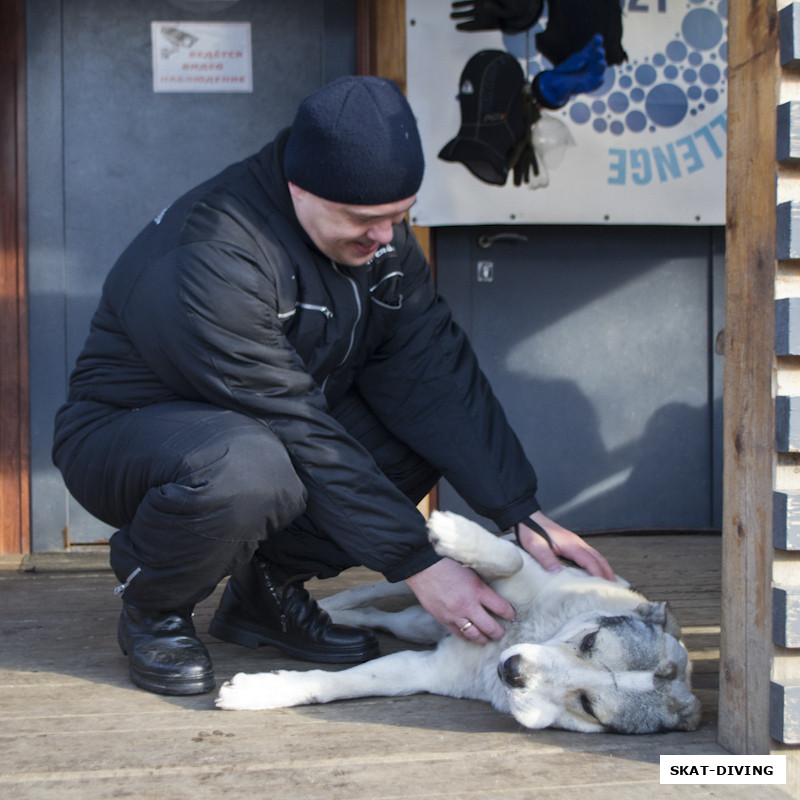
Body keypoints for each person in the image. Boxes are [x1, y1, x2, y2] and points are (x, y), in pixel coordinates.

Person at [52, 75, 614, 697]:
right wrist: (418, 563)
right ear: (299, 188)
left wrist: (520, 511)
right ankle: (153, 605)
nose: (385, 238)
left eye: (400, 217)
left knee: (415, 438)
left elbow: (431, 372)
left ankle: (264, 596)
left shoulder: (378, 239)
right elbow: (293, 425)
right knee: (249, 467)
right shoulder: (213, 252)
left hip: (271, 426)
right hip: (130, 435)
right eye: (366, 220)